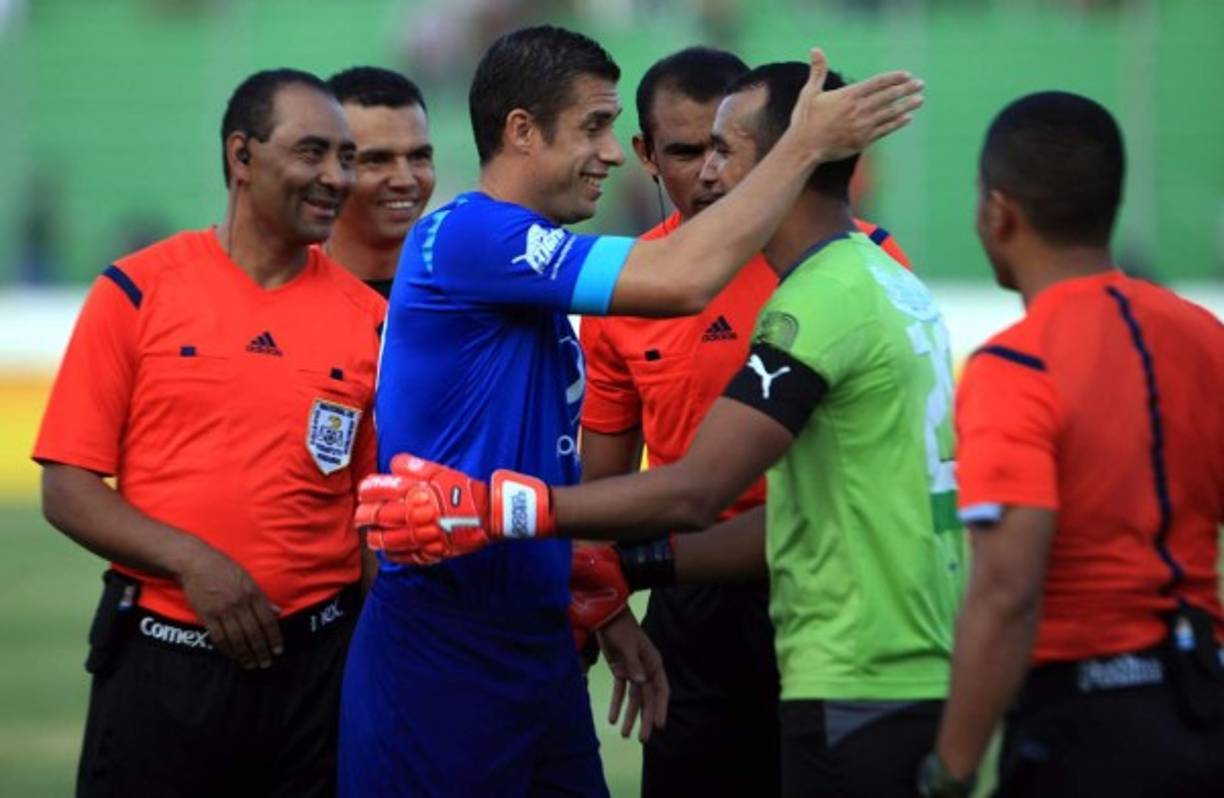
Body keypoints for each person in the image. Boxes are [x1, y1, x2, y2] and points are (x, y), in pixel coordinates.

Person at [341, 24, 924, 798]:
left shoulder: (530, 281)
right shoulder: (465, 235)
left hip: (538, 641)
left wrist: (599, 589)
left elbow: (542, 456)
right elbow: (680, 278)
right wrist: (802, 147)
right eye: (594, 127)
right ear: (522, 130)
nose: (615, 153)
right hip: (447, 643)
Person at [32, 69, 384, 797]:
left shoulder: (372, 323)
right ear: (241, 156)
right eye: (312, 151)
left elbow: (371, 518)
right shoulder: (135, 291)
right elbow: (67, 487)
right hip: (162, 669)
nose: (336, 177)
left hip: (317, 672)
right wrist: (194, 562)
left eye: (345, 157)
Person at [580, 45, 912, 798]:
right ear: (644, 154)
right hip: (692, 606)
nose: (707, 173)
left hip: (830, 596)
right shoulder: (627, 289)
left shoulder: (858, 264)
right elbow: (601, 489)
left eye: (723, 149)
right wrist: (606, 613)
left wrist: (502, 511)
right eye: (684, 150)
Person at [917, 92, 1224, 798]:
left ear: (998, 212)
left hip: (1086, 721)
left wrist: (951, 771)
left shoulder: (1014, 365)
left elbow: (1005, 589)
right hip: (1204, 699)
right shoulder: (1203, 338)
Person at [325, 66, 435, 298]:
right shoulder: (278, 296)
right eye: (377, 160)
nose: (405, 180)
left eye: (418, 157)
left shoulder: (470, 296)